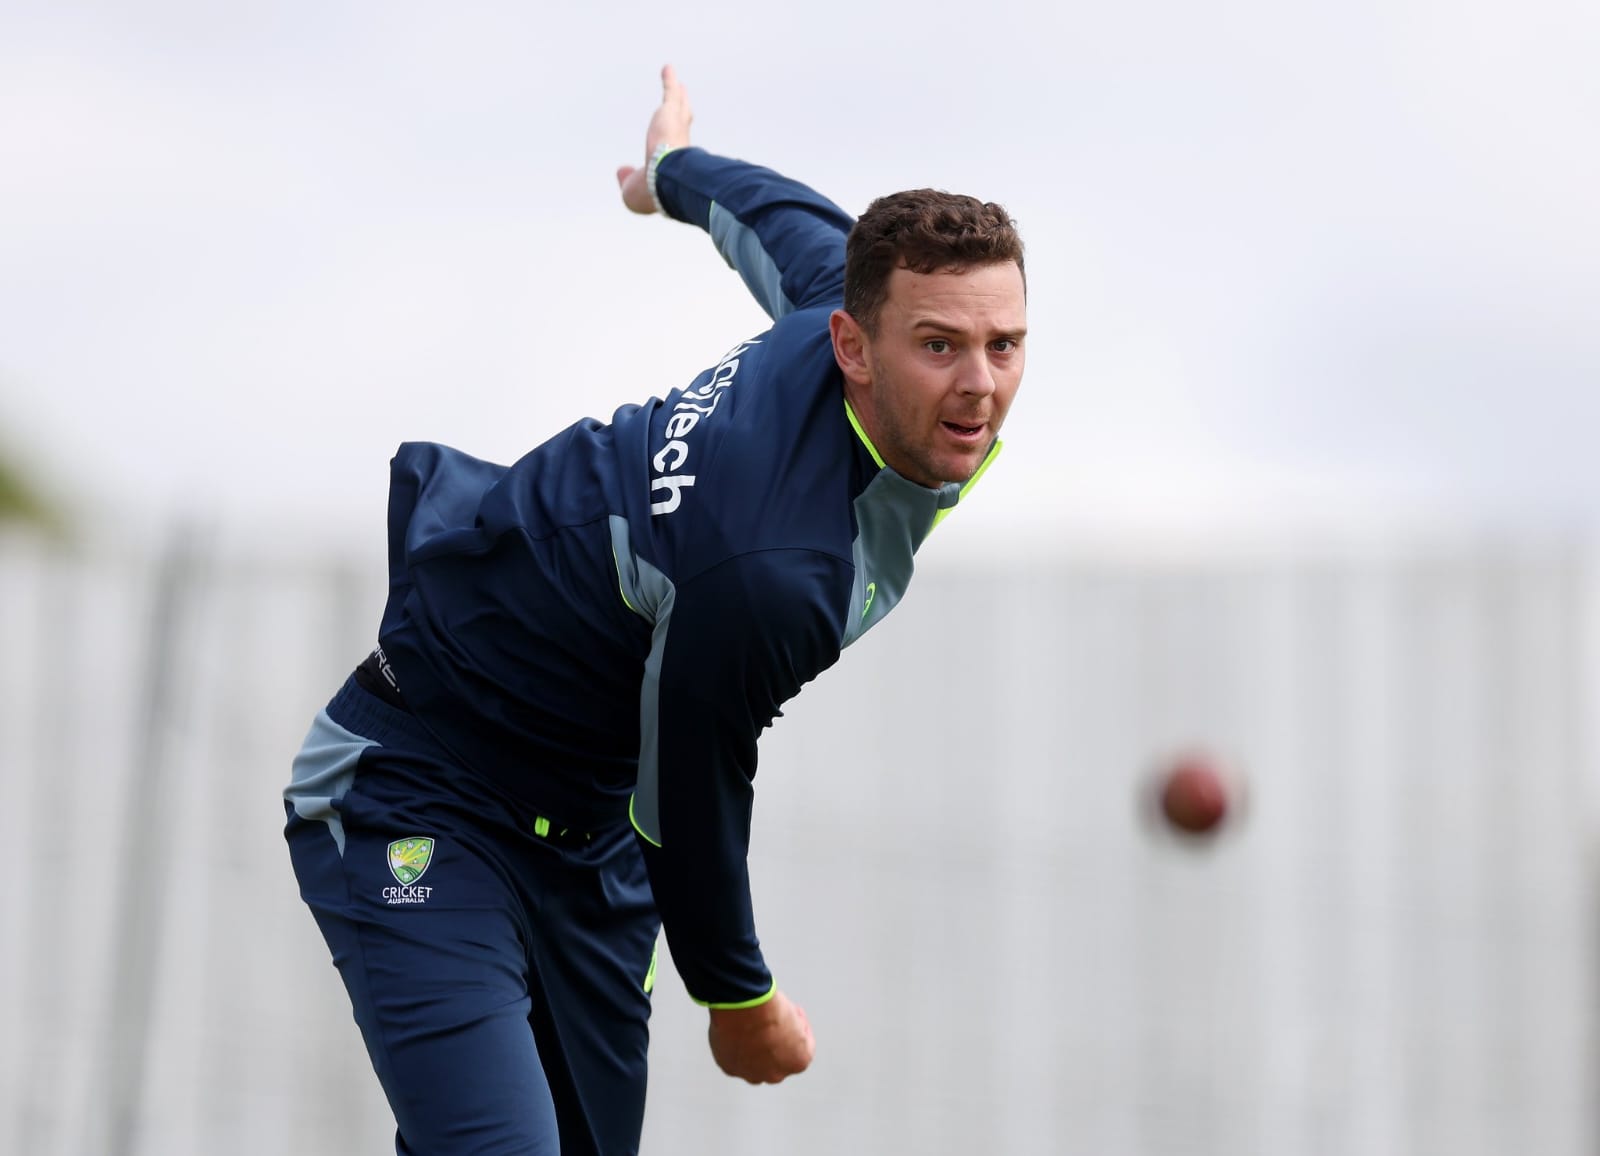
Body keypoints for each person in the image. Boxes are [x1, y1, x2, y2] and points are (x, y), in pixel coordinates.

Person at [283, 64, 1027, 1155]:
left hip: (586, 849)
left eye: (1002, 345)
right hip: (420, 789)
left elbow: (775, 220)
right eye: (939, 346)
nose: (978, 384)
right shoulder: (774, 563)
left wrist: (671, 172)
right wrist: (739, 1000)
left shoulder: (845, 303)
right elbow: (689, 769)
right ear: (853, 348)